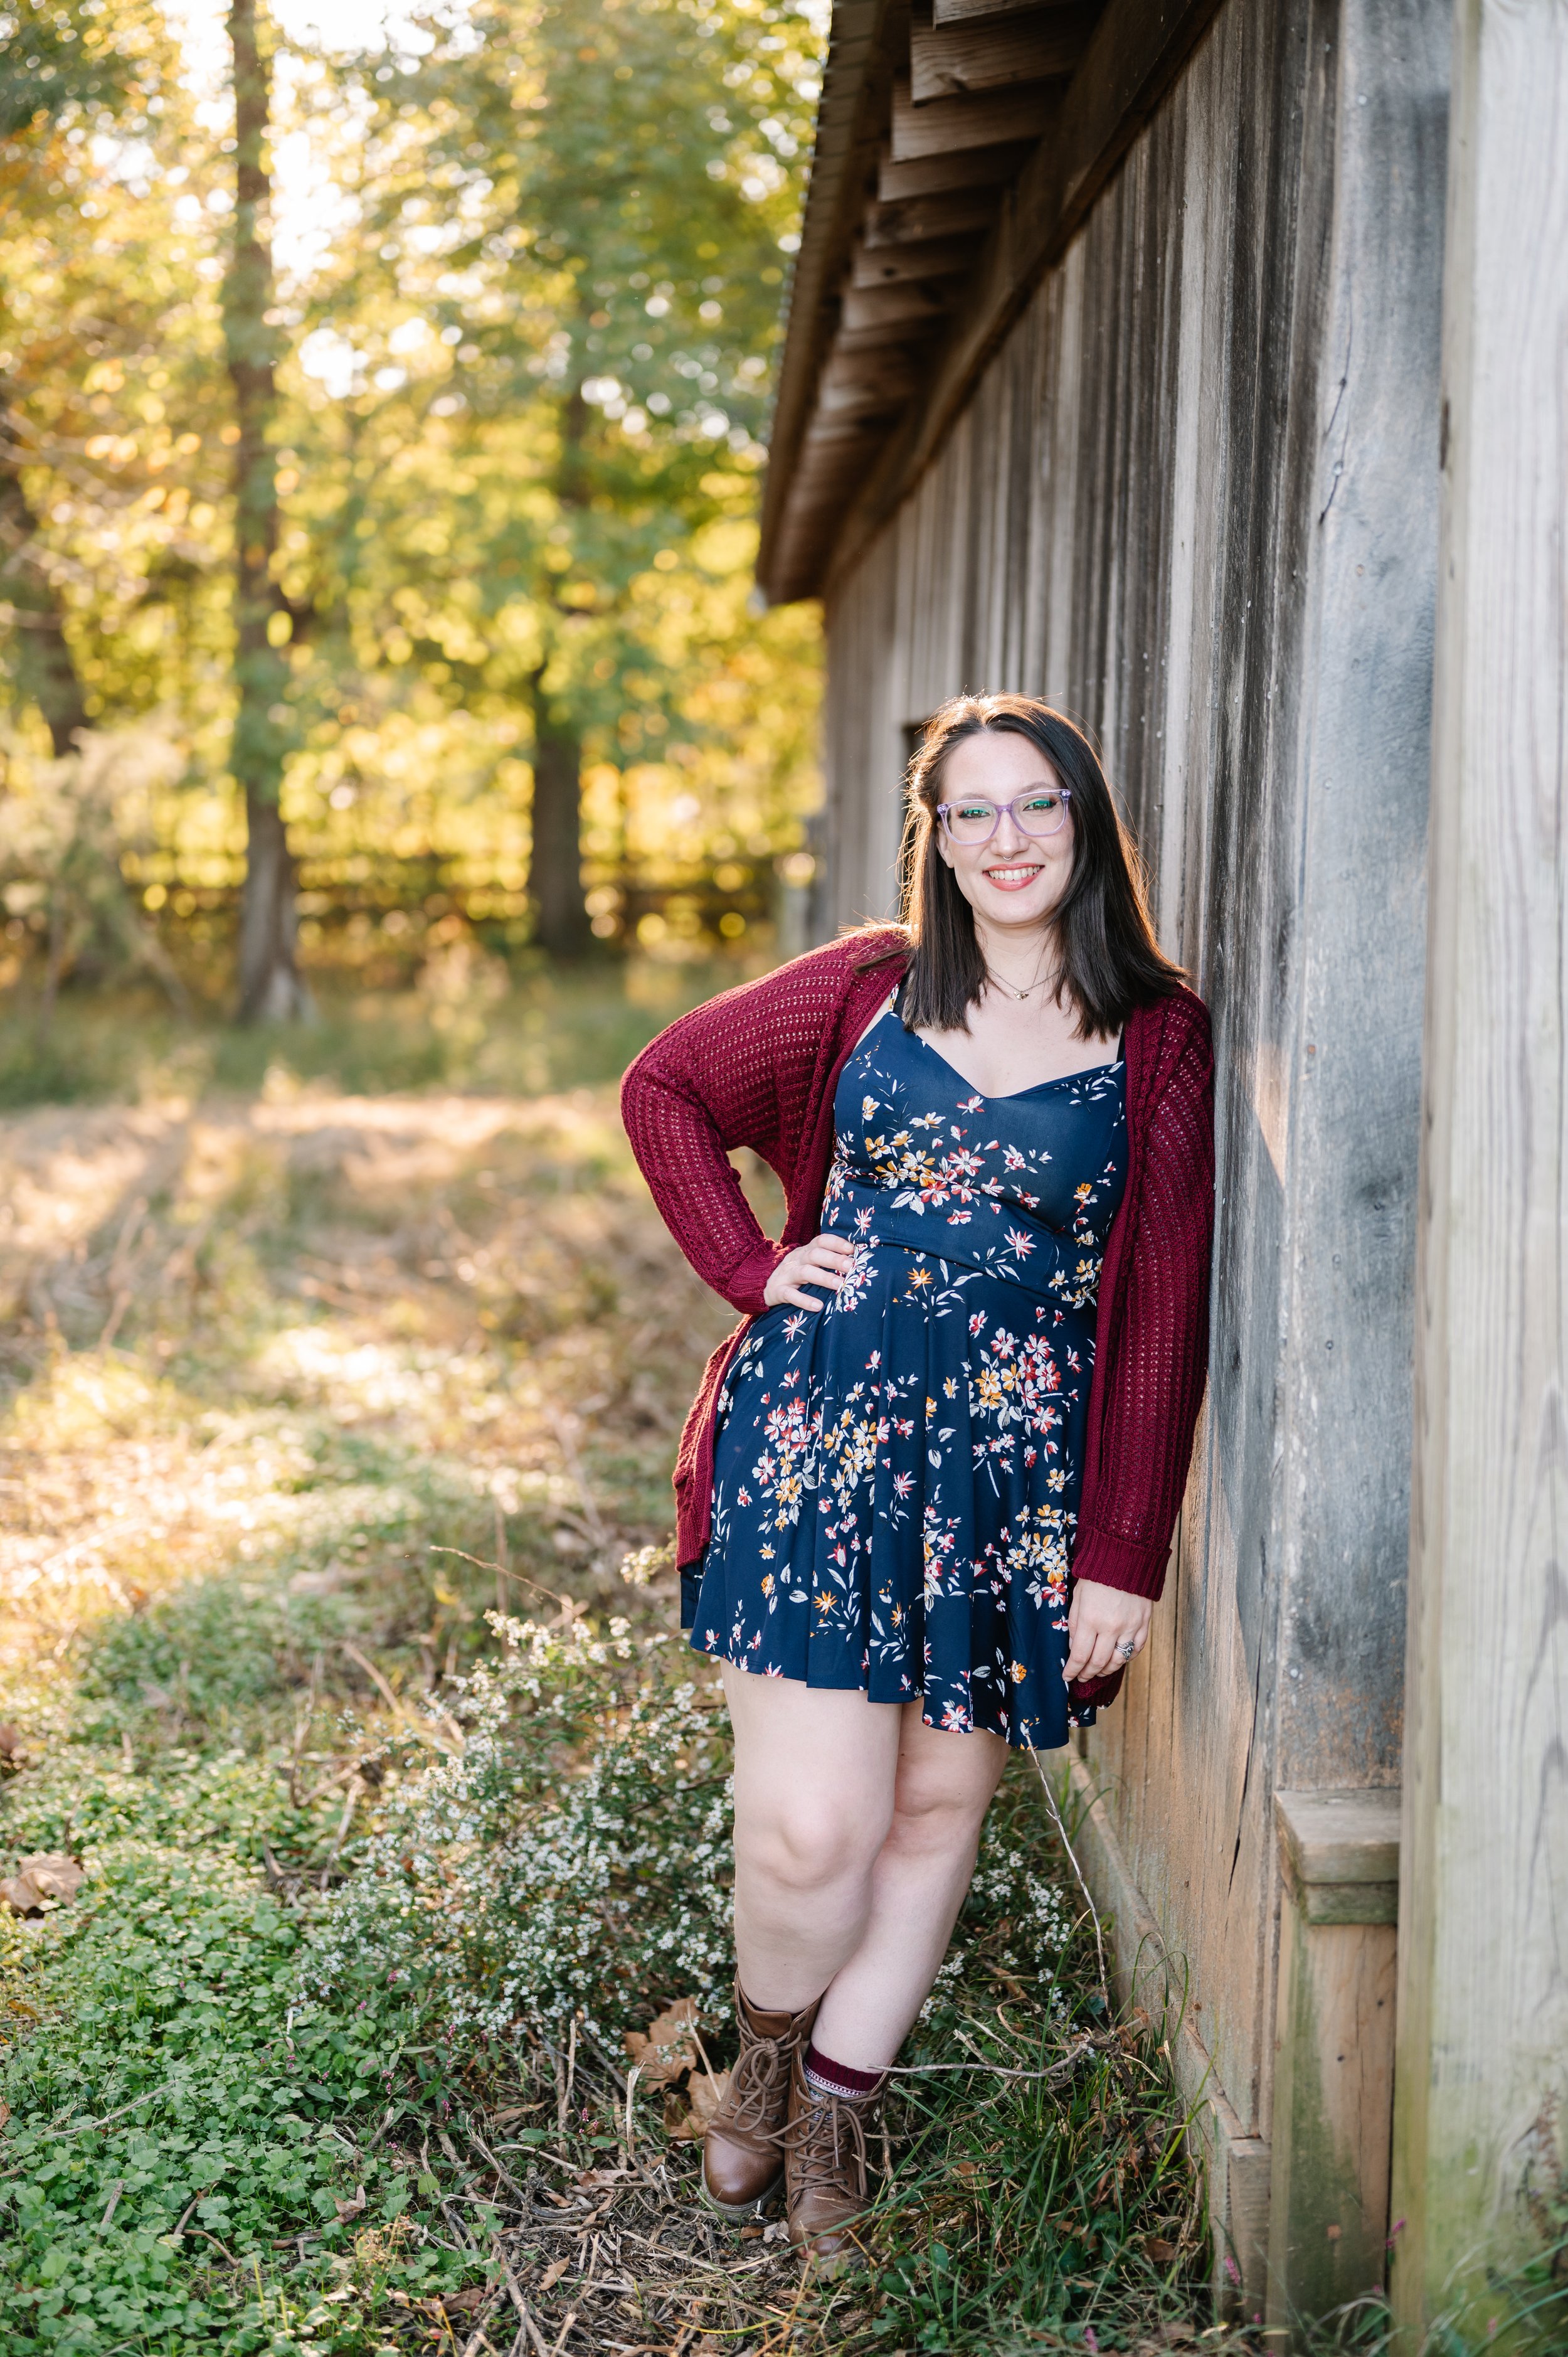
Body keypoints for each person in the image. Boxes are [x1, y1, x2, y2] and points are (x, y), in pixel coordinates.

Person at [620, 693, 1214, 2258]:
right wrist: (751, 1268)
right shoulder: (866, 989)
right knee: (813, 1827)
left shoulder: (1156, 1032)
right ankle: (756, 2064)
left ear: (1081, 825)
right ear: (932, 838)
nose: (1005, 839)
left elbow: (1160, 1305)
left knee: (932, 1808)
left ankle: (831, 2119)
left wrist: (1123, 1548)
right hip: (818, 1440)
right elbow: (662, 1089)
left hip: (1008, 1485)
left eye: (1035, 807)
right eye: (971, 813)